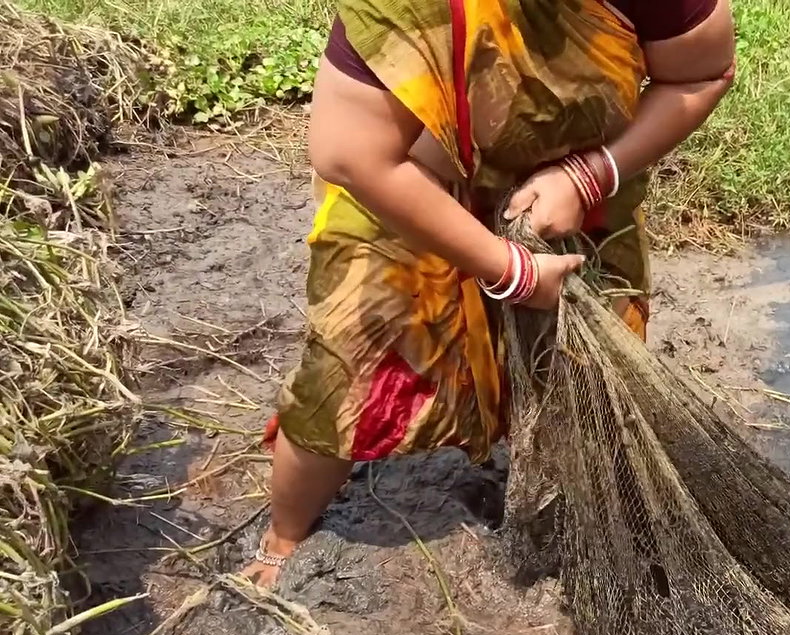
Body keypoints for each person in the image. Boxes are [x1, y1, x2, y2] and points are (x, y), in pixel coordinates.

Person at [241, 0, 737, 587]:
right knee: (350, 373)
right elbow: (350, 152)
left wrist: (592, 175)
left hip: (577, 195)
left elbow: (702, 73)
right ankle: (283, 539)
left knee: (585, 377)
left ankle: (570, 525)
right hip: (411, 194)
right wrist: (511, 270)